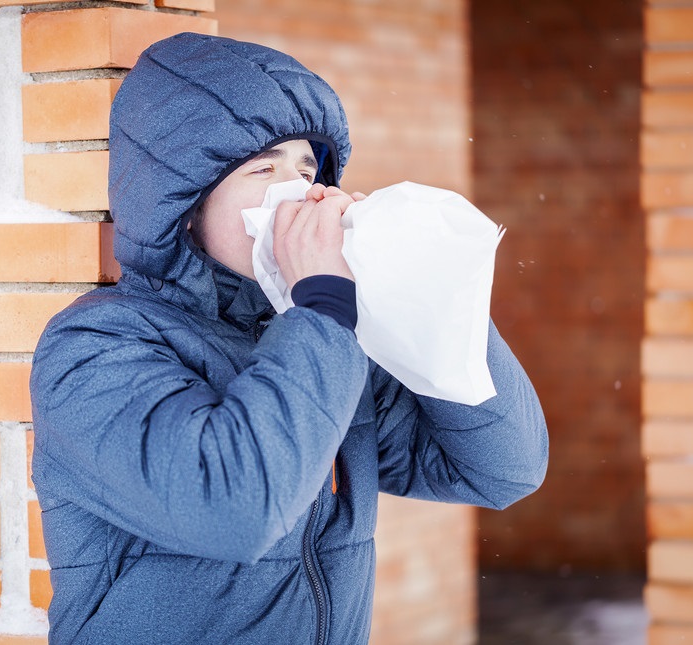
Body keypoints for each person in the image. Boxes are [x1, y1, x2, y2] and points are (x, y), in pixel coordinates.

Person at [30, 32, 548, 644]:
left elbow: (502, 470)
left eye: (308, 168)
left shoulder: (321, 337)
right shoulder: (94, 345)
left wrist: (423, 296)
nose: (297, 191)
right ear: (184, 202)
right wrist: (323, 307)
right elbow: (236, 509)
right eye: (263, 168)